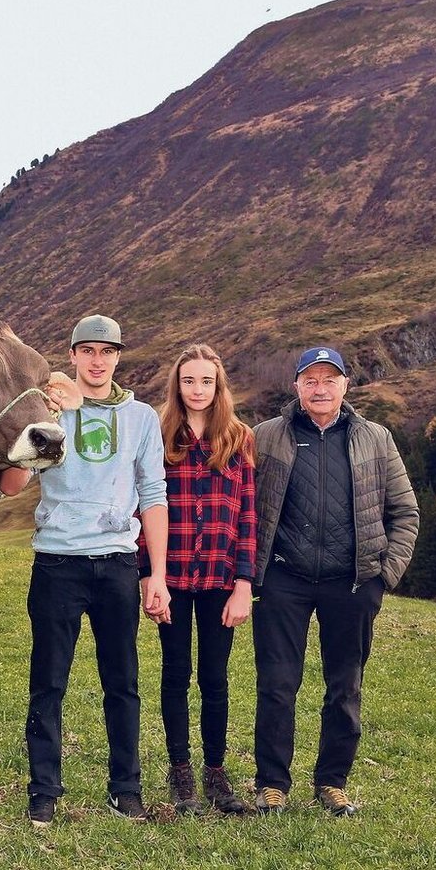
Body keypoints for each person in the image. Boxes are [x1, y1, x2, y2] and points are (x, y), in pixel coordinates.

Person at [0, 314, 170, 827]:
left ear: (118, 357)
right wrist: (34, 427)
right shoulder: (50, 410)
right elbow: (11, 485)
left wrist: (157, 573)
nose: (98, 361)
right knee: (48, 682)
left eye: (107, 351)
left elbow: (153, 494)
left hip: (118, 562)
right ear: (72, 355)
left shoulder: (140, 418)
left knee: (123, 682)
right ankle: (43, 791)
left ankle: (126, 789)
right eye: (88, 351)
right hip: (57, 562)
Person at [251, 347, 418, 817]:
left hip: (352, 583)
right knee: (277, 684)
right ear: (297, 387)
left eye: (329, 379)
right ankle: (272, 784)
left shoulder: (376, 439)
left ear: (345, 385)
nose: (320, 388)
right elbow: (244, 504)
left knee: (344, 686)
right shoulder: (266, 435)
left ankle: (331, 782)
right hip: (283, 578)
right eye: (311, 380)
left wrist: (384, 575)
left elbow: (405, 512)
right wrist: (253, 571)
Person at [137, 344, 256, 815]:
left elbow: (248, 516)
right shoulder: (160, 435)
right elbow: (144, 507)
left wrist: (244, 583)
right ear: (177, 385)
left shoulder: (239, 438)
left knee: (214, 677)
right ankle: (180, 770)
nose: (198, 389)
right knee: (175, 672)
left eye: (206, 381)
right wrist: (148, 576)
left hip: (220, 579)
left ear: (218, 385)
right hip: (172, 576)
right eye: (189, 380)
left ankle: (216, 771)